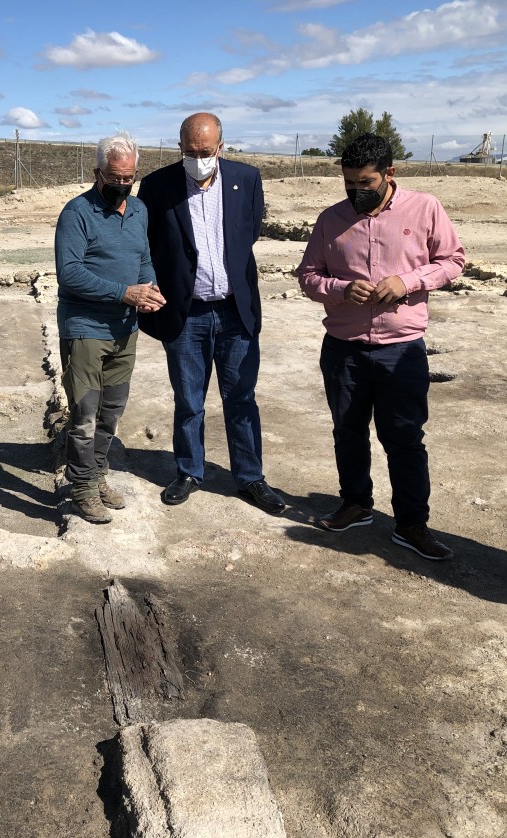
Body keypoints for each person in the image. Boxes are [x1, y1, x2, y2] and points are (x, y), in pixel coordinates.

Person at [296, 133, 465, 561]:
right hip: (343, 350)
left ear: (390, 173)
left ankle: (412, 525)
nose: (356, 191)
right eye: (349, 183)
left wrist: (407, 282)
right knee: (347, 433)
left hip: (401, 350)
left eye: (366, 183)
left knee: (405, 438)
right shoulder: (329, 219)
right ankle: (355, 504)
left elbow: (452, 261)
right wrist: (338, 288)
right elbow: (308, 276)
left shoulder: (425, 208)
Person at [137, 113, 284, 513]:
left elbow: (247, 233)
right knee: (189, 400)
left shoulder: (247, 179)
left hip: (236, 312)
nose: (197, 158)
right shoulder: (156, 186)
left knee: (241, 399)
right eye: (190, 151)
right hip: (187, 315)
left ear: (221, 146)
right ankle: (188, 471)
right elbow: (149, 245)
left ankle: (251, 478)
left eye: (205, 151)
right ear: (179, 146)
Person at [54, 131, 166, 524]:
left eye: (129, 178)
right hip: (85, 328)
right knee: (84, 414)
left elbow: (144, 258)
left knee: (111, 412)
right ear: (96, 171)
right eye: (115, 177)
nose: (122, 185)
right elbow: (68, 274)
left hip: (125, 330)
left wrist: (149, 288)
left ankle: (97, 474)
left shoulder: (138, 210)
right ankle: (81, 488)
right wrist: (124, 293)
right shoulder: (77, 213)